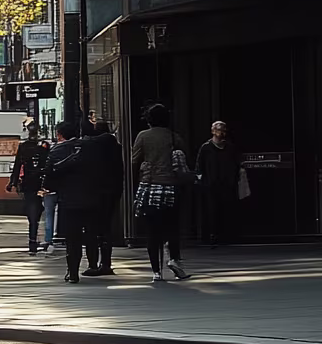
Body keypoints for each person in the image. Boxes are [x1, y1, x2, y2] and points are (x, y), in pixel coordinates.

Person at [132, 103, 191, 281]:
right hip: (171, 188)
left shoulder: (143, 136)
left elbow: (134, 161)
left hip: (150, 187)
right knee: (172, 227)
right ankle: (174, 259)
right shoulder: (174, 137)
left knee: (153, 231)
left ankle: (156, 272)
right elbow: (182, 159)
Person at [45, 120, 102, 283]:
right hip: (92, 196)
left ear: (60, 134)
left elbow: (49, 177)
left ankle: (73, 271)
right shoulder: (92, 148)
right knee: (92, 232)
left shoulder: (56, 151)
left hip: (68, 199)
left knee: (73, 237)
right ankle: (93, 264)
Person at [82, 120, 124, 276]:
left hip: (94, 192)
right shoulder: (116, 147)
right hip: (112, 192)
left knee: (91, 229)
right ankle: (106, 263)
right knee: (106, 228)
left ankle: (93, 265)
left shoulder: (91, 147)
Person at [7, 119, 50, 254]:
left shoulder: (24, 146)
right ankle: (36, 238)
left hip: (29, 183)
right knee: (40, 211)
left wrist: (12, 182)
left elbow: (18, 164)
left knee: (33, 212)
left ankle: (33, 240)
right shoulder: (44, 146)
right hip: (42, 182)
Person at [196, 121, 241, 247]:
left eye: (224, 130)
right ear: (213, 131)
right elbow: (200, 166)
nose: (222, 133)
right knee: (211, 211)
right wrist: (202, 181)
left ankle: (227, 235)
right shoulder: (206, 148)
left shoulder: (230, 147)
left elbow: (236, 164)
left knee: (226, 209)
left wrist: (234, 179)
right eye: (220, 130)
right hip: (211, 185)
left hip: (227, 185)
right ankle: (211, 235)